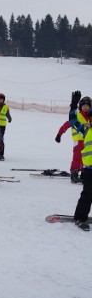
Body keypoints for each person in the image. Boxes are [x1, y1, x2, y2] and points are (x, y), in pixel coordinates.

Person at [68, 92, 92, 230]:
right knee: (87, 194)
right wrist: (73, 105)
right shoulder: (86, 130)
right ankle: (80, 218)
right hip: (89, 169)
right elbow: (72, 120)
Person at [56, 99, 89, 183]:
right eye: (84, 106)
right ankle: (74, 174)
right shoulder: (76, 116)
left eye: (87, 106)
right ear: (80, 107)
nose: (85, 108)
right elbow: (66, 125)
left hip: (88, 142)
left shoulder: (90, 117)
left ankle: (84, 175)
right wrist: (59, 134)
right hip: (78, 141)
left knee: (87, 159)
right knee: (77, 158)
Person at [0, 93, 12, 160]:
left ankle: (1, 155)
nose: (1, 100)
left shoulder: (6, 107)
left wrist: (9, 118)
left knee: (0, 140)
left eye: (2, 99)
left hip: (2, 125)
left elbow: (7, 114)